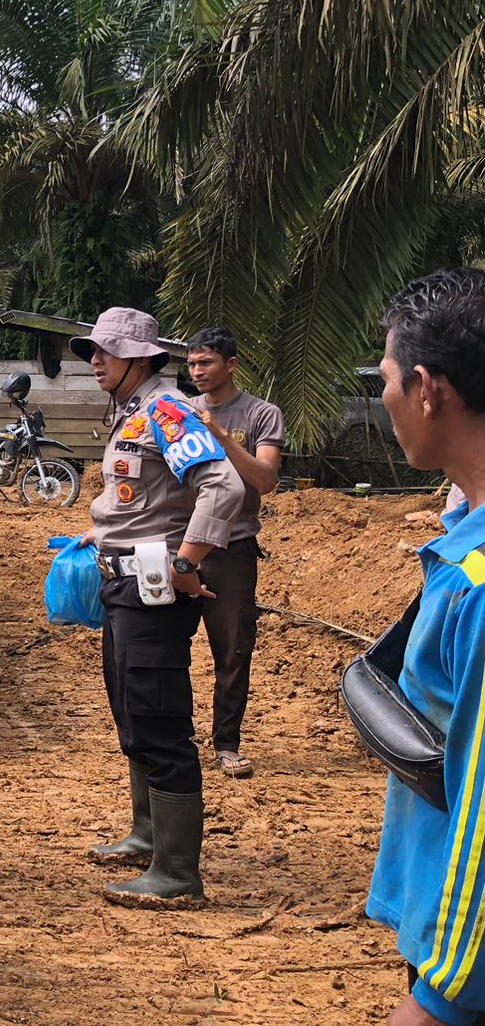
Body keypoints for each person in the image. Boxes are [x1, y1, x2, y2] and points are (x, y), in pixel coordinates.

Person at [71, 307, 243, 909]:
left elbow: (224, 486)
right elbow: (143, 496)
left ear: (141, 358)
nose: (94, 360)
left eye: (106, 351)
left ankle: (176, 872)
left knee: (159, 718)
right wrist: (103, 529)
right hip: (123, 582)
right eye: (92, 350)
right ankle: (147, 835)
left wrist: (189, 560)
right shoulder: (131, 412)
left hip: (156, 589)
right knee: (132, 710)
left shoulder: (167, 411)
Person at [364, 268, 485, 1026]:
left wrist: (439, 996)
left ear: (428, 389)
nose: (382, 398)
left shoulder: (479, 583)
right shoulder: (463, 537)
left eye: (385, 379)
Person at [187, 327, 285, 779]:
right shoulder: (180, 412)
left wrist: (224, 437)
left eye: (205, 363)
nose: (197, 372)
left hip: (233, 548)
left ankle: (227, 743)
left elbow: (265, 480)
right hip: (180, 544)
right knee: (167, 643)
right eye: (190, 364)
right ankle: (176, 736)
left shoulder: (262, 414)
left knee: (232, 648)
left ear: (231, 364)